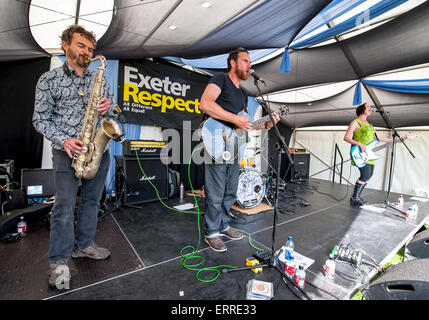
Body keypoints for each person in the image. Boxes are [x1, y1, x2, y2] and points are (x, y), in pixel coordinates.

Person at [33, 25, 115, 288]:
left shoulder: (98, 78)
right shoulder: (49, 80)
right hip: (67, 151)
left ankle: (84, 245)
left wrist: (108, 107)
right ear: (66, 45)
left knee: (92, 202)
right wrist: (64, 140)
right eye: (81, 45)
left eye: (91, 48)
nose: (87, 52)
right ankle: (58, 261)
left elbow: (112, 115)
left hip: (97, 150)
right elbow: (39, 119)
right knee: (64, 207)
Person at [199, 47, 280, 252]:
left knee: (230, 190)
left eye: (250, 62)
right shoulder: (220, 79)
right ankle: (211, 233)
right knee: (215, 191)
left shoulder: (244, 94)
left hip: (232, 147)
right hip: (216, 140)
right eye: (245, 61)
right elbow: (205, 104)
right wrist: (234, 119)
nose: (249, 65)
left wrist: (266, 124)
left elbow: (246, 125)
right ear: (232, 63)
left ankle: (224, 225)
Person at [344, 102, 393, 206]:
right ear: (362, 109)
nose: (370, 108)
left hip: (369, 154)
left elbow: (377, 138)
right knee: (365, 175)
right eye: (368, 107)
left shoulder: (370, 125)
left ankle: (356, 197)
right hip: (359, 153)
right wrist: (360, 144)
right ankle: (355, 198)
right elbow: (346, 137)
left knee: (369, 175)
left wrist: (393, 140)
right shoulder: (356, 122)